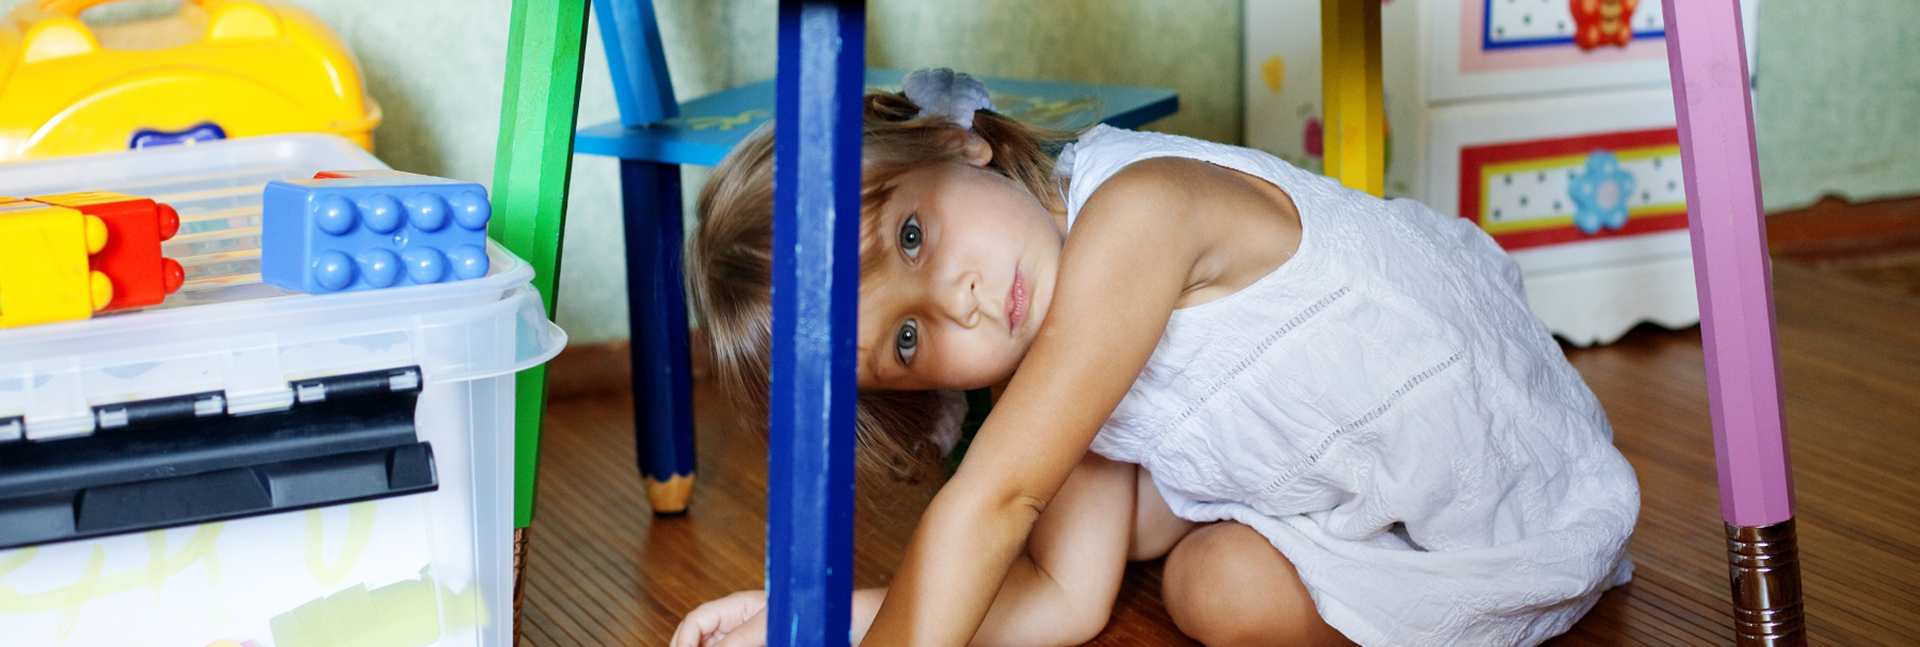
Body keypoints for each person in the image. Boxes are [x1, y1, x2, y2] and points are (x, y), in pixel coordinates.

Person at [675, 68, 1640, 647]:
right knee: (1201, 579)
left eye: (916, 238)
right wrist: (820, 620)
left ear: (951, 142)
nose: (959, 298)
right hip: (1367, 475)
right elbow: (1062, 595)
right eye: (910, 339)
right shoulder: (1060, 343)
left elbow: (992, 502)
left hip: (1501, 481)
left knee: (1172, 558)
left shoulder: (1136, 214)